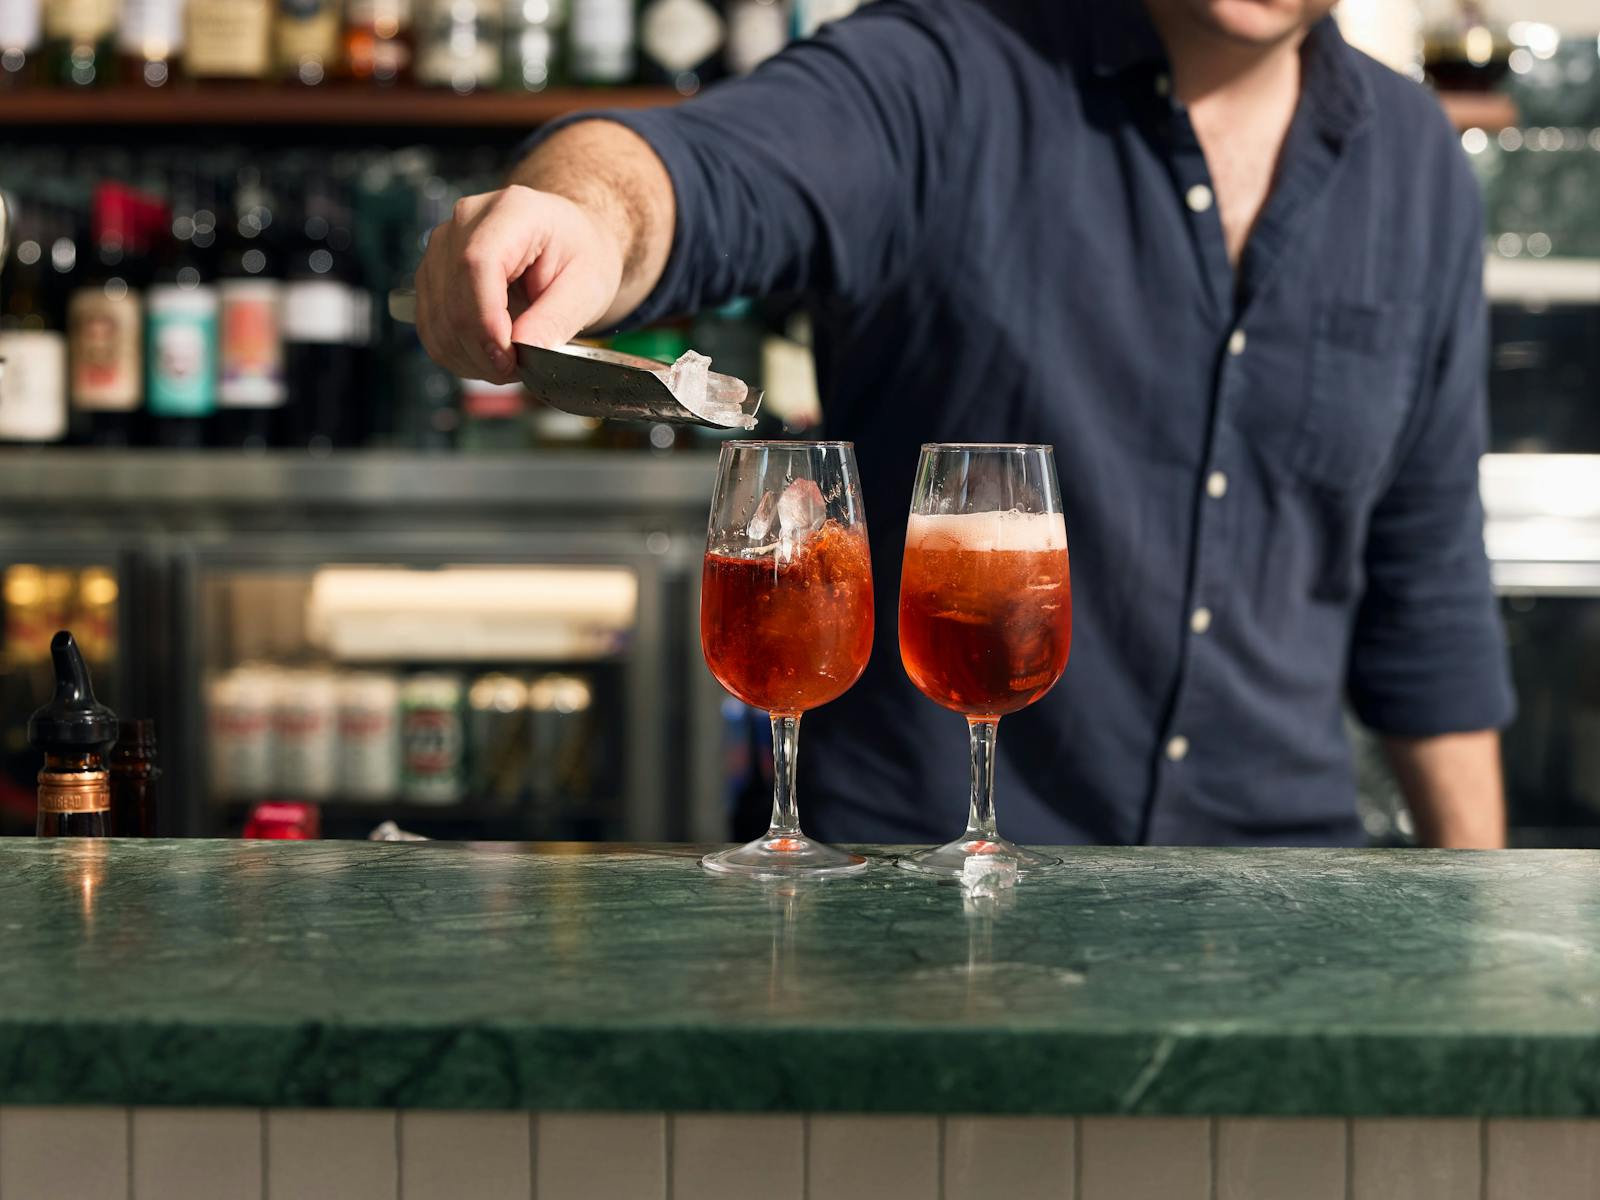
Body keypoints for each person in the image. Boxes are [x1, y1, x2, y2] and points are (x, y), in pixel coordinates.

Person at [413, 0, 1515, 848]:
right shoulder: (941, 71)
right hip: (924, 899)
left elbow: (1428, 592)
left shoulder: (1411, 163)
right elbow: (695, 173)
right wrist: (581, 222)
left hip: (1276, 899)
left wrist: (1478, 939)